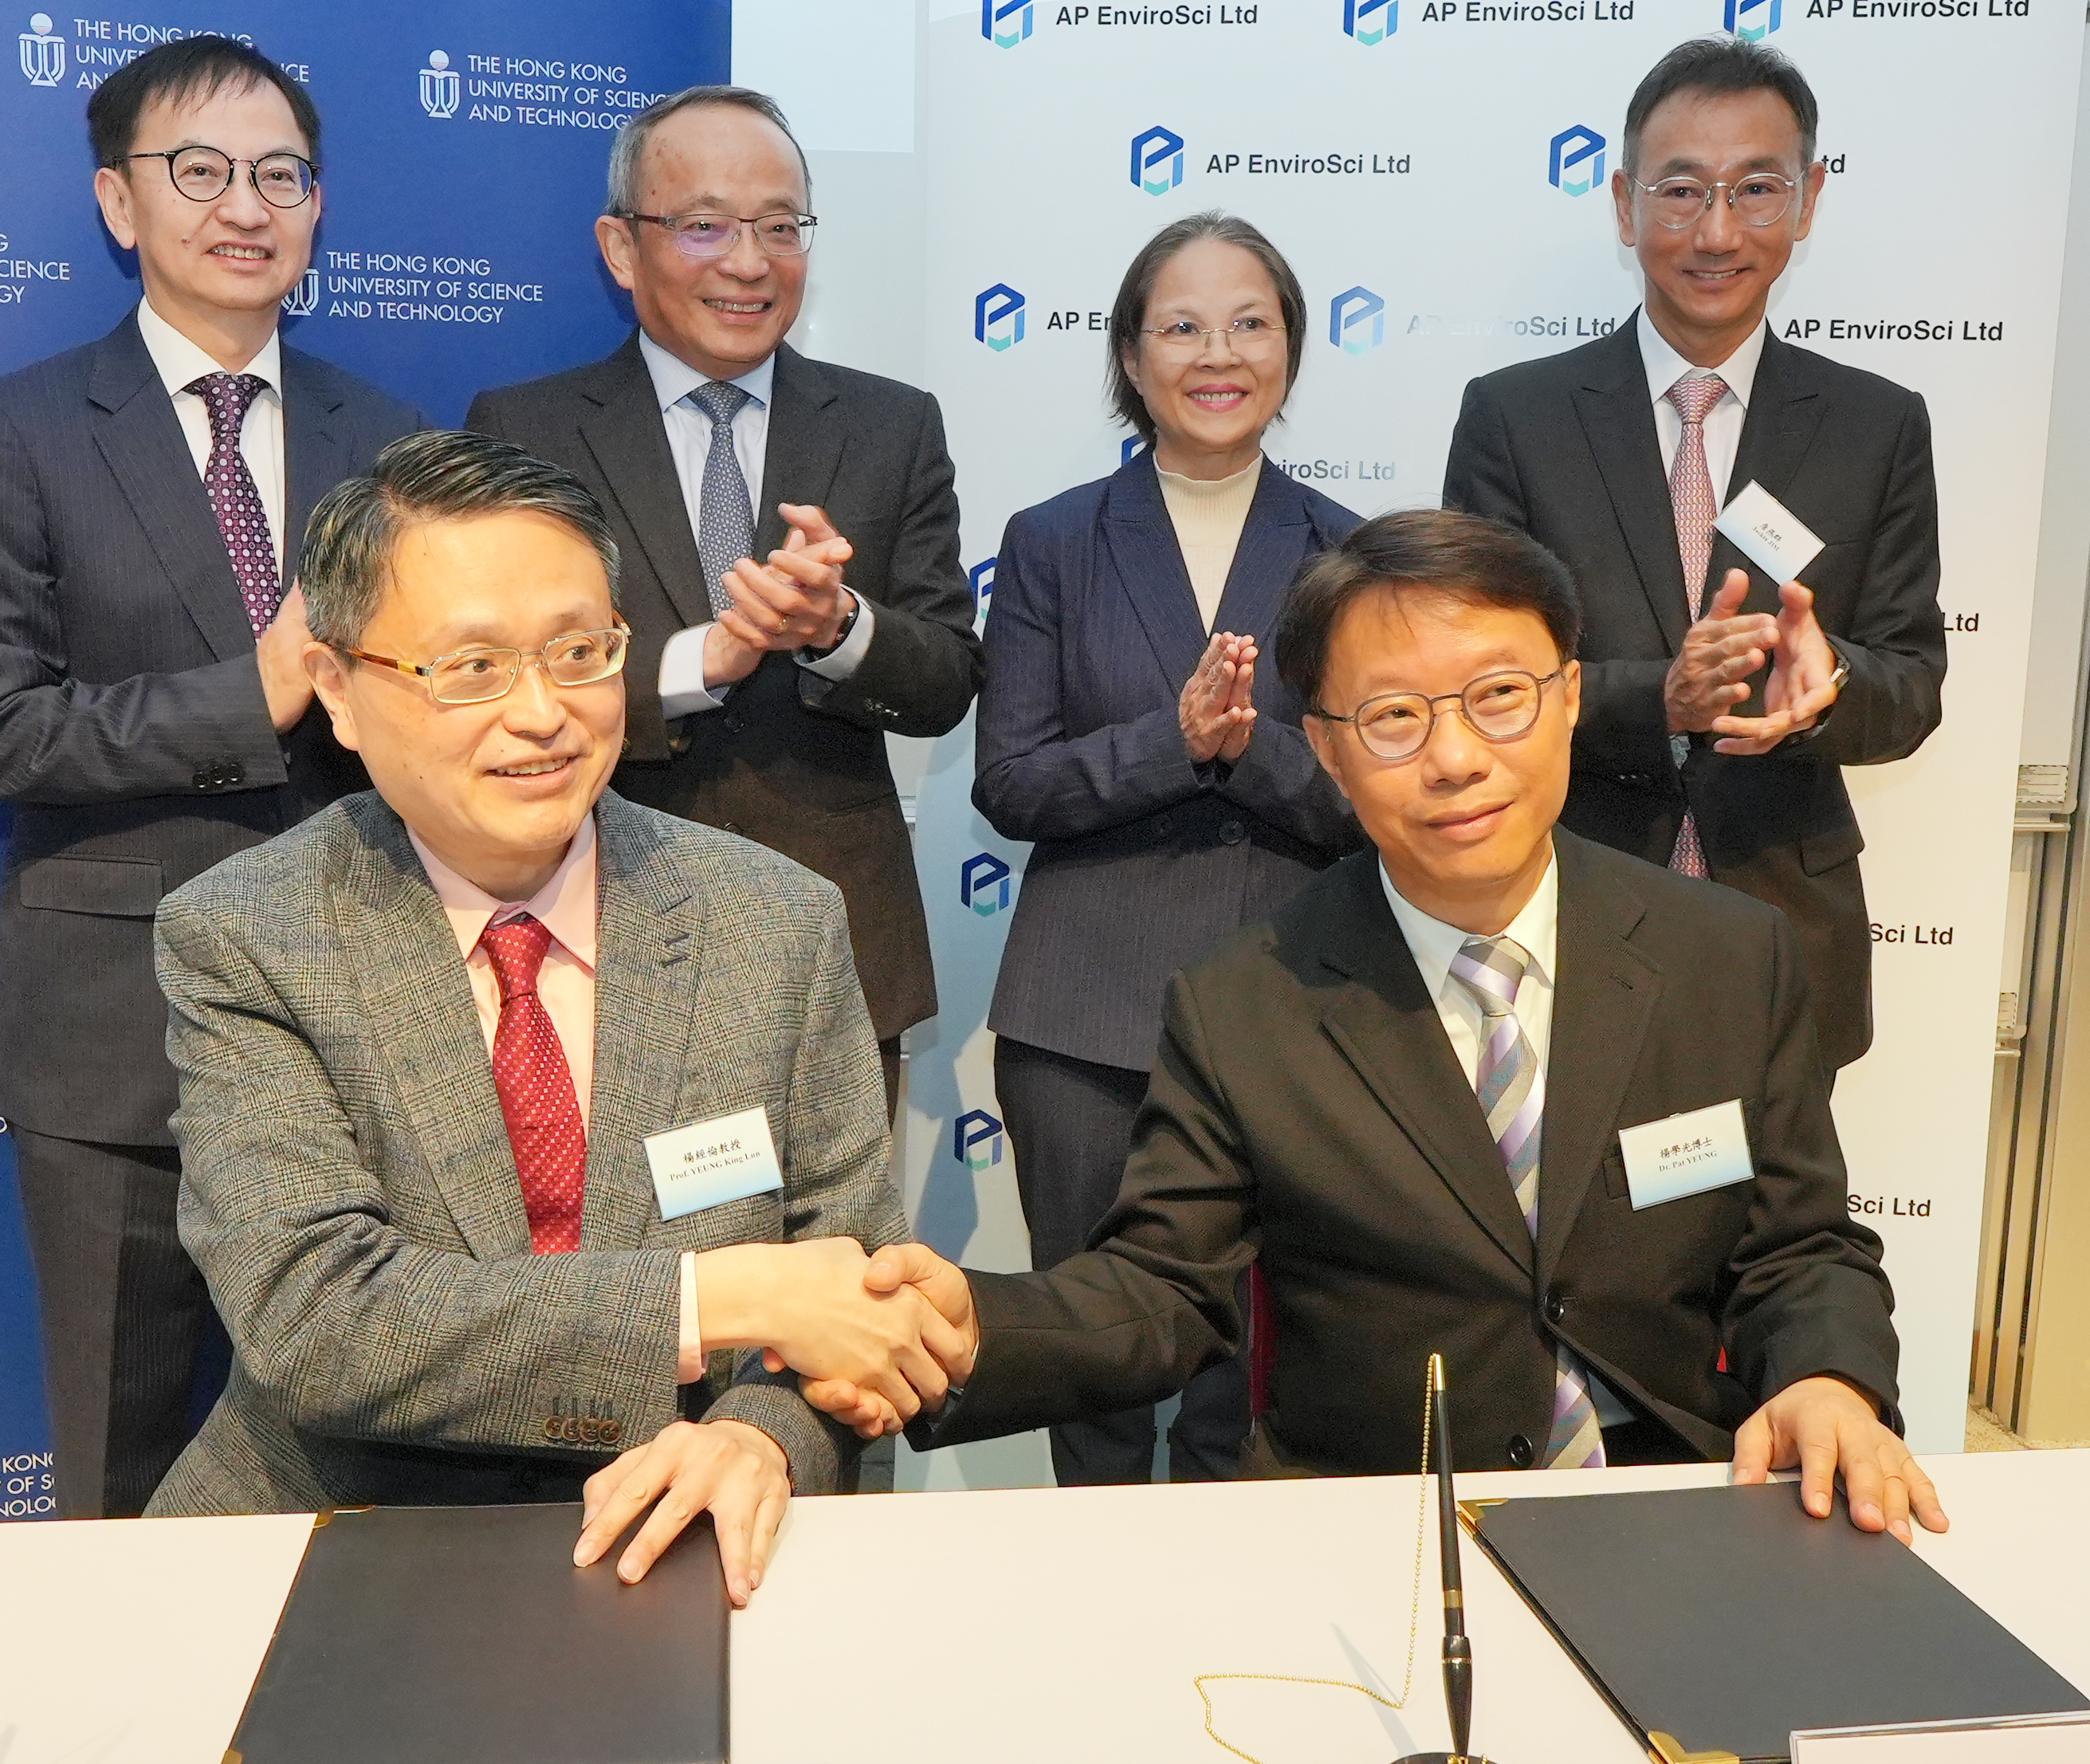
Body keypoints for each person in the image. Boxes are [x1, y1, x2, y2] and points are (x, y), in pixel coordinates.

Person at [811, 511, 1949, 1543]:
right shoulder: (1248, 997)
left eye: (1499, 695)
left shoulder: (1727, 953)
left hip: (1666, 1501)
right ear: (1328, 752)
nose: (1456, 758)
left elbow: (1798, 1246)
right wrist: (973, 1330)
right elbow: (1162, 1290)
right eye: (1396, 718)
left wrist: (1828, 1380)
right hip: (1367, 1518)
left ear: (1567, 698)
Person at [143, 430, 962, 1603]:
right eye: (472, 667)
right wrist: (727, 1296)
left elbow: (859, 1280)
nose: (543, 714)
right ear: (339, 692)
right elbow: (319, 1319)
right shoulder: (251, 934)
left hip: (676, 1547)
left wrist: (757, 1438)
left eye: (579, 652)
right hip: (337, 1532)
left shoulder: (773, 918)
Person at [0, 37, 426, 1519]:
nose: (245, 207)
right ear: (119, 203)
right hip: (114, 1039)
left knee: (375, 1455)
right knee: (120, 1473)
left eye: (282, 175)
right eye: (198, 172)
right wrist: (256, 691)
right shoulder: (12, 432)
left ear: (318, 208)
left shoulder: (387, 440)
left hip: (360, 1017)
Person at [467, 87, 981, 1112]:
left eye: (779, 227)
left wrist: (835, 629)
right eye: (704, 226)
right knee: (636, 1273)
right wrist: (697, 660)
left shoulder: (890, 426)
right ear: (621, 247)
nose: (749, 262)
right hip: (594, 935)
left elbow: (944, 679)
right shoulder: (522, 430)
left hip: (835, 949)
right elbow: (494, 679)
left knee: (835, 1268)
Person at [1443, 37, 1944, 1071]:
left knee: (1758, 1230)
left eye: (1757, 187)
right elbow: (1474, 682)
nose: (1717, 230)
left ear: (1807, 203)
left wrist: (1831, 685)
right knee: (1567, 1230)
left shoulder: (1875, 425)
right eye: (1682, 190)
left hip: (1779, 937)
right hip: (1562, 915)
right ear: (1625, 205)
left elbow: (1913, 682)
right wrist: (1655, 699)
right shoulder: (1515, 419)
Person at [972, 212, 1363, 1486]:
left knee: (1238, 1381)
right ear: (1131, 358)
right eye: (1182, 325)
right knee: (1088, 1355)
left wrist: (1244, 746)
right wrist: (1172, 740)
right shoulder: (1054, 539)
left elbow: (1371, 803)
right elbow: (1011, 781)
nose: (1219, 352)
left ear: (1292, 353)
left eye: (1250, 322)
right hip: (1082, 1018)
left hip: (1289, 1014)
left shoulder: (1348, 554)